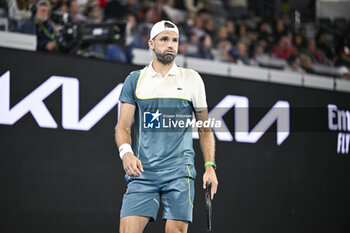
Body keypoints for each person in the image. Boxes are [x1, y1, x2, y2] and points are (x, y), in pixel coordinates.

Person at [115, 20, 218, 233]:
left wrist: (210, 166)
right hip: (143, 172)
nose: (171, 44)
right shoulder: (135, 80)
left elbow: (205, 129)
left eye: (175, 40)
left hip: (180, 171)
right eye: (164, 39)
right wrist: (126, 153)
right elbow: (123, 127)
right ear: (151, 43)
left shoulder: (192, 79)